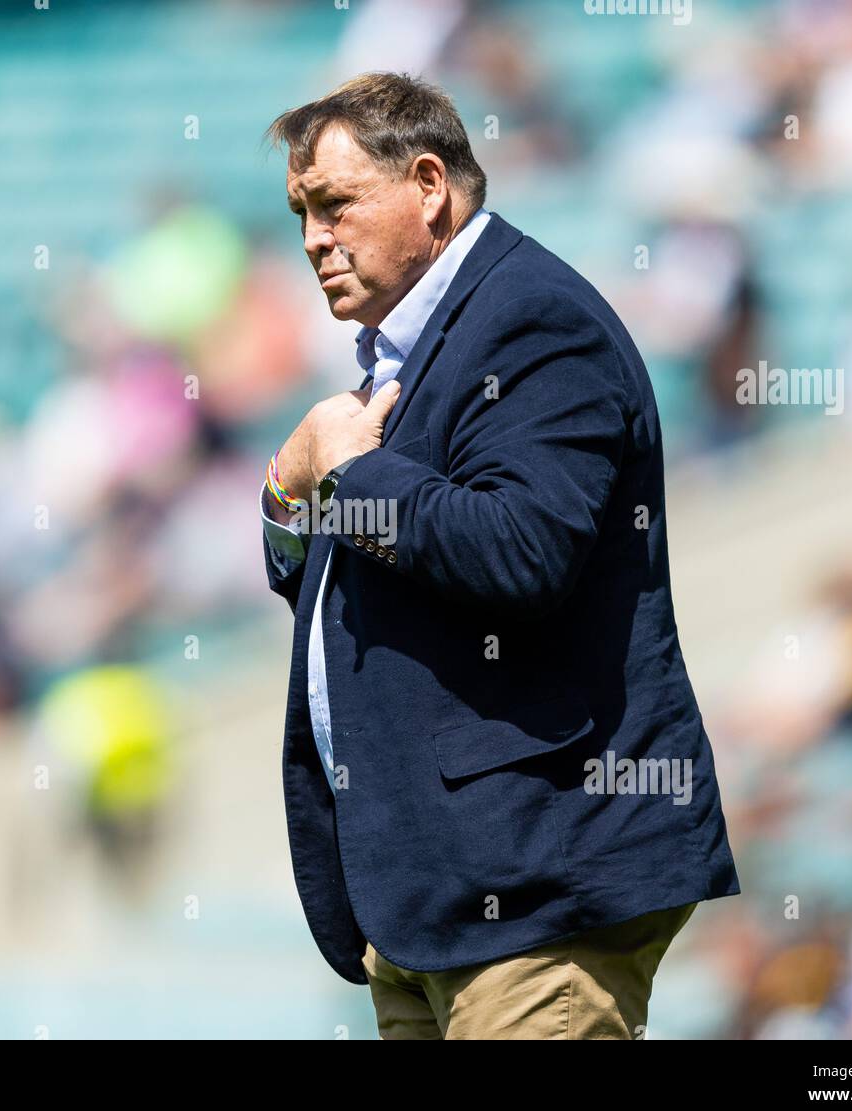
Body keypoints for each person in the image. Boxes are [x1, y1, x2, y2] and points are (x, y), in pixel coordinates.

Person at [259, 72, 740, 1039]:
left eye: (336, 204)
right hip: (440, 898)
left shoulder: (531, 320)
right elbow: (346, 572)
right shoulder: (413, 348)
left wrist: (345, 478)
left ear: (429, 184)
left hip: (534, 891)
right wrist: (287, 488)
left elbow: (518, 552)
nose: (314, 237)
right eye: (302, 212)